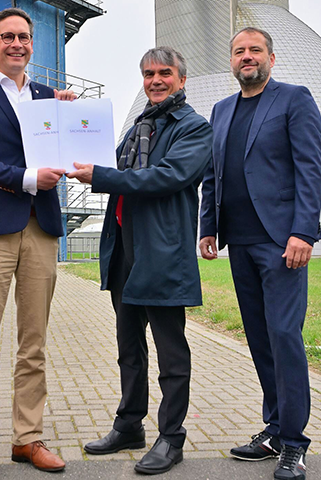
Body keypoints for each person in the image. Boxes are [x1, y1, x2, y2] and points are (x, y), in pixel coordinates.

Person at [67, 46, 211, 476]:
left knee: (171, 353)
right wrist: (70, 120)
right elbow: (105, 161)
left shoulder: (194, 128)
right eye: (148, 74)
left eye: (164, 73)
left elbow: (167, 177)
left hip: (162, 253)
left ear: (181, 79)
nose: (155, 80)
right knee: (129, 348)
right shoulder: (138, 127)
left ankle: (172, 438)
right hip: (124, 252)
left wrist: (100, 175)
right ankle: (129, 425)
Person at [0, 8, 76, 480]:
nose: (17, 44)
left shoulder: (47, 96)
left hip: (40, 227)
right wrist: (25, 178)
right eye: (7, 37)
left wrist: (72, 120)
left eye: (24, 37)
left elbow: (64, 151)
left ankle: (28, 437)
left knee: (34, 343)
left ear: (32, 44)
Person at [198, 27, 321, 480]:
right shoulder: (222, 109)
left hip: (281, 242)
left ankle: (294, 442)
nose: (246, 56)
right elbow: (212, 173)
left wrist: (303, 231)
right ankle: (275, 429)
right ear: (232, 60)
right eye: (239, 51)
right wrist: (208, 226)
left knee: (284, 335)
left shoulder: (294, 99)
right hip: (240, 242)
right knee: (259, 338)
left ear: (272, 57)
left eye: (255, 50)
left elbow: (310, 168)